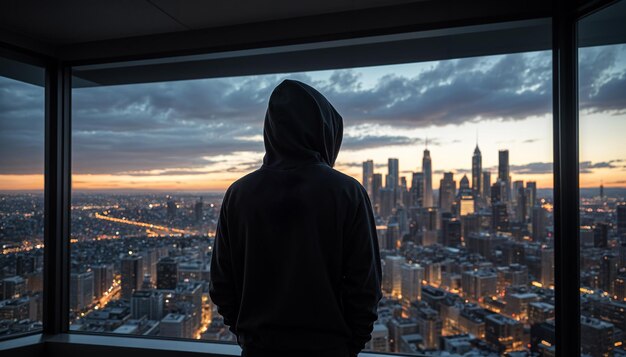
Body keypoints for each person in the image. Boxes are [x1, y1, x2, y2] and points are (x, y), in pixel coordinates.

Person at [209, 79, 382, 357]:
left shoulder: (239, 194)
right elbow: (365, 288)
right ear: (324, 131)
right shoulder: (347, 192)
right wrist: (348, 347)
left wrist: (250, 337)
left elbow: (221, 285)